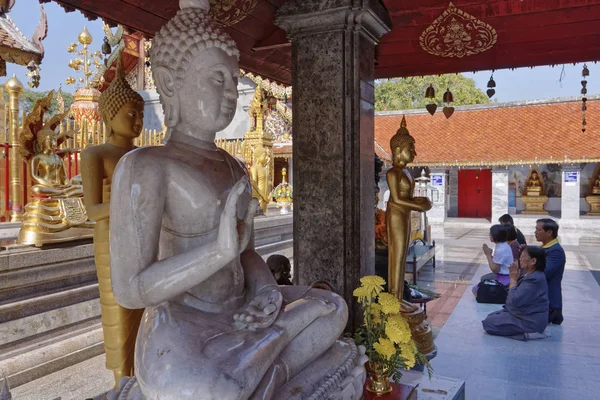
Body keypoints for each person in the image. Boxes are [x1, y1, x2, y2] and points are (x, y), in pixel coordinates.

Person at [482, 246, 549, 337]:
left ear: (533, 261)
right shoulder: (528, 274)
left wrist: (513, 280)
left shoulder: (534, 279)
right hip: (522, 314)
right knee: (491, 316)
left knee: (488, 323)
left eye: (523, 256)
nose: (520, 259)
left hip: (530, 321)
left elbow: (515, 300)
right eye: (520, 256)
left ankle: (529, 334)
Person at [535, 218, 566, 325]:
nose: (535, 232)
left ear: (549, 232)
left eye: (538, 230)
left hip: (550, 303)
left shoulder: (555, 251)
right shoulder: (544, 248)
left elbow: (543, 273)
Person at [473, 224, 513, 296]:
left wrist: (488, 255)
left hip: (504, 278)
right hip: (501, 275)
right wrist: (490, 255)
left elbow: (495, 269)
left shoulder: (501, 249)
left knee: (476, 290)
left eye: (490, 234)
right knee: (483, 280)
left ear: (495, 235)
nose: (489, 235)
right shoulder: (502, 245)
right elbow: (496, 263)